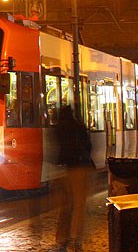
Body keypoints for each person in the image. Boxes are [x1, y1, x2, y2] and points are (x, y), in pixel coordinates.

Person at [50, 105, 94, 252]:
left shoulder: (58, 129)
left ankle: (61, 239)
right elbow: (88, 145)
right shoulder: (78, 127)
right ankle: (75, 239)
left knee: (66, 206)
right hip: (80, 167)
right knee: (79, 205)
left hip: (64, 168)